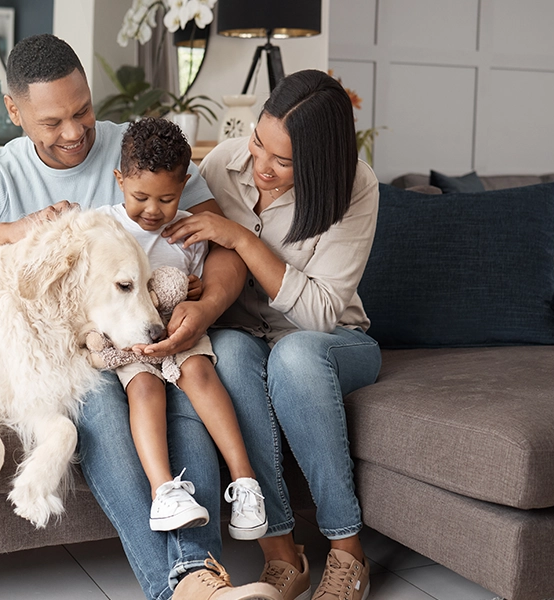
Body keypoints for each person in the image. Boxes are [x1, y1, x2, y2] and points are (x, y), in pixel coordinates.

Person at [0, 34, 279, 600]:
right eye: (52, 122)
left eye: (83, 111)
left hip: (155, 336)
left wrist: (204, 306)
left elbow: (222, 245)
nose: (74, 133)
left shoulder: (139, 153)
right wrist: (15, 232)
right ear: (14, 112)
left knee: (183, 393)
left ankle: (200, 575)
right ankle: (184, 586)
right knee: (97, 406)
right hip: (68, 357)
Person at [161, 69, 381, 600]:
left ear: (319, 162)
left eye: (283, 162)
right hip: (246, 335)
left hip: (332, 344)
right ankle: (282, 555)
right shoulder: (220, 165)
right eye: (259, 143)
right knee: (228, 355)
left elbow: (322, 314)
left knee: (296, 357)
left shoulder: (355, 186)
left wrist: (239, 238)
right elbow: (179, 245)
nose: (261, 166)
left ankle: (348, 553)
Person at [96, 117, 267, 540]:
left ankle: (246, 483)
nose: (153, 210)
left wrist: (195, 288)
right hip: (133, 341)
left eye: (167, 199)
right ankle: (164, 491)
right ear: (119, 181)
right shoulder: (103, 227)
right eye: (140, 197)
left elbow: (200, 281)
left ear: (185, 185)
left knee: (201, 374)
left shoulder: (189, 228)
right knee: (144, 388)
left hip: (180, 332)